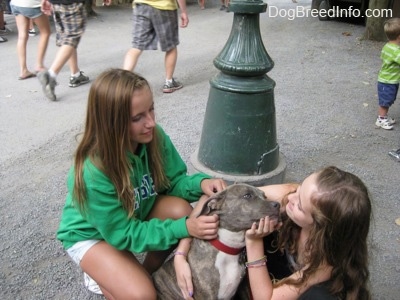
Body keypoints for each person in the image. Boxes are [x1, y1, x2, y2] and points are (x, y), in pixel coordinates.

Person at [56, 68, 227, 298]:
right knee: (142, 295)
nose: (151, 122)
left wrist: (201, 184)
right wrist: (184, 228)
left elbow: (172, 182)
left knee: (179, 211)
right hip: (91, 235)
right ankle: (104, 274)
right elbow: (123, 234)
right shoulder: (93, 172)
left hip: (133, 211)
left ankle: (142, 274)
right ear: (111, 124)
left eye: (152, 109)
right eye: (137, 118)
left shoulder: (152, 136)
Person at [175, 166, 372, 300]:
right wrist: (181, 254)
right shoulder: (295, 196)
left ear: (320, 228)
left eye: (300, 205)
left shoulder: (324, 264)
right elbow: (212, 197)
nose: (290, 199)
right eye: (299, 188)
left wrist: (253, 242)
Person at [37, 0, 110, 101]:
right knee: (71, 38)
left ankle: (75, 74)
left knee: (66, 36)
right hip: (71, 3)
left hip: (56, 3)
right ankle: (51, 75)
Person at [122, 0, 188, 93]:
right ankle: (169, 82)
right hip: (164, 7)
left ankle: (121, 83)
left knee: (136, 46)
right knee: (171, 46)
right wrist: (184, 11)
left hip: (141, 5)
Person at [10, 0, 50, 80]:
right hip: (32, 4)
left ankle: (23, 70)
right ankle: (39, 65)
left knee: (22, 36)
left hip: (16, 3)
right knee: (45, 32)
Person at [375, 18, 400, 130]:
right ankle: (381, 119)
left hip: (389, 80)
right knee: (385, 101)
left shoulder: (388, 46)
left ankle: (384, 117)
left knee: (388, 99)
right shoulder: (395, 51)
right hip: (387, 81)